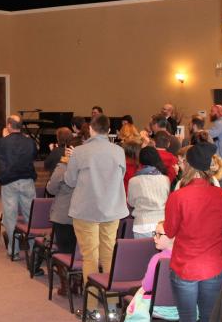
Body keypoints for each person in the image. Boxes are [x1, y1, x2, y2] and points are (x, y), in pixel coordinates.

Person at [64, 114, 128, 313]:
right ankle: (110, 306)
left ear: (91, 129)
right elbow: (121, 175)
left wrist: (69, 162)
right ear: (108, 131)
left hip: (86, 210)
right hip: (112, 210)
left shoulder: (80, 152)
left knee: (90, 257)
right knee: (109, 256)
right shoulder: (119, 151)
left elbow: (70, 181)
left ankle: (91, 308)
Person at [163, 142, 222, 322]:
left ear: (188, 165)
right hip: (214, 264)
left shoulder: (178, 196)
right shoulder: (220, 194)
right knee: (209, 317)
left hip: (186, 264)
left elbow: (169, 231)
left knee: (188, 318)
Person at [0, 114, 37, 254]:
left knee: (10, 217)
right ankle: (33, 248)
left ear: (9, 126)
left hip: (9, 182)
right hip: (27, 180)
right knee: (30, 216)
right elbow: (34, 156)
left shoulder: (2, 142)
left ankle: (14, 250)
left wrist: (4, 136)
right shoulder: (30, 142)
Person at [46, 148, 76, 296]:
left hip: (63, 214)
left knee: (64, 251)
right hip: (82, 214)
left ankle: (66, 286)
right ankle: (77, 283)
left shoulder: (63, 168)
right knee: (78, 251)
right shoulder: (87, 167)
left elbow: (50, 189)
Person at [127, 146, 170, 239]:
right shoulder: (165, 179)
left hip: (141, 225)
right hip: (161, 224)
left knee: (141, 253)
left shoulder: (134, 180)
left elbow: (131, 202)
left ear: (140, 160)